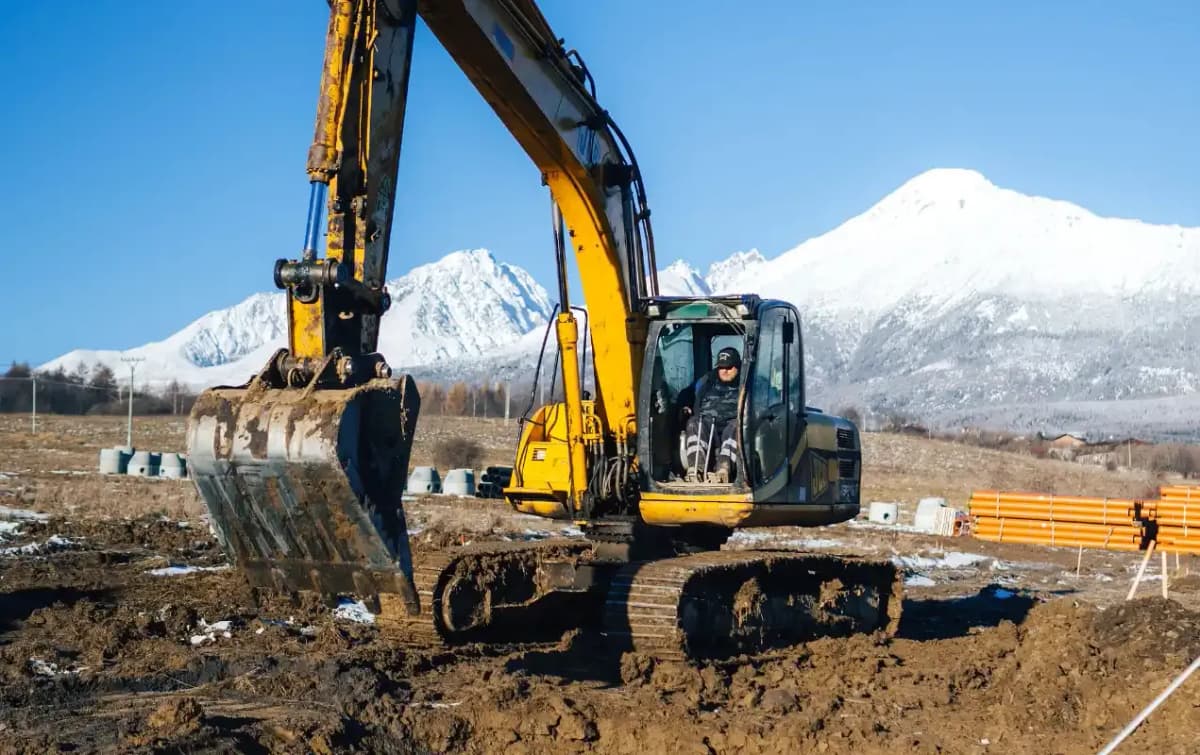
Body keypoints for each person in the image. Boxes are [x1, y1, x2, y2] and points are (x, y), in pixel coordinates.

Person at [679, 346, 742, 481]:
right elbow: (687, 393)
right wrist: (685, 405)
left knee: (736, 426)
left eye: (729, 367)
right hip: (708, 426)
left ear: (738, 367)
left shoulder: (748, 382)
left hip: (733, 426)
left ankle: (723, 469)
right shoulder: (707, 380)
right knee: (694, 423)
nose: (724, 371)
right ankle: (696, 469)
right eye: (721, 367)